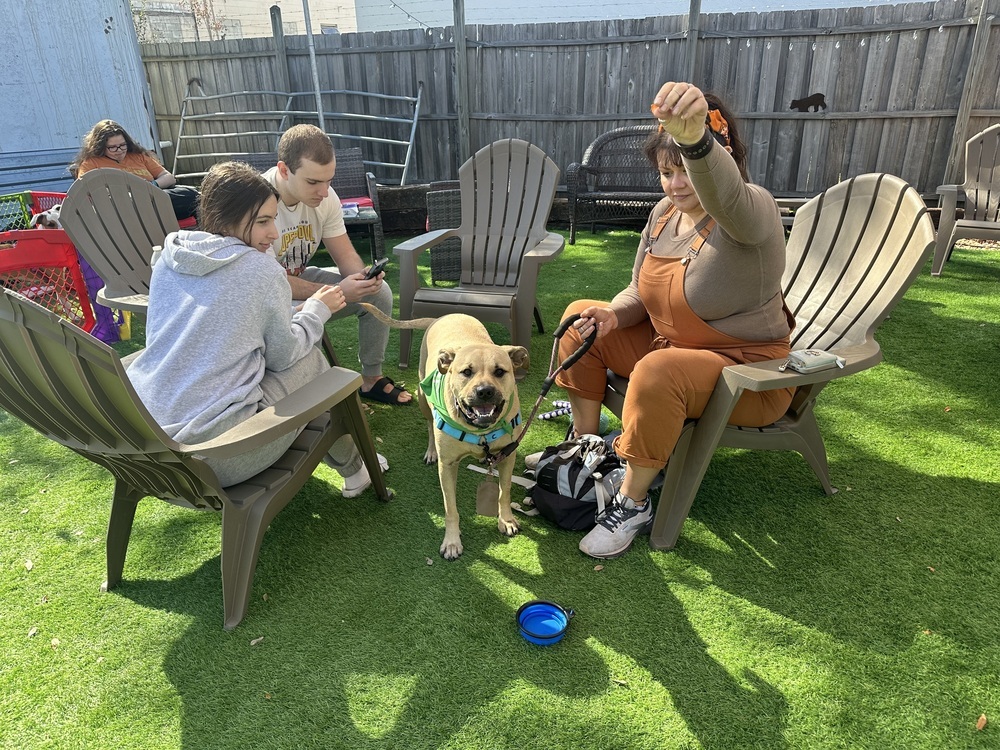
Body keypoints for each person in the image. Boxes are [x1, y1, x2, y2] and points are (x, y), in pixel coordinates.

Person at [546, 82, 795, 559]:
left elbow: (725, 195)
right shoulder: (663, 214)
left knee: (657, 371)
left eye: (686, 170)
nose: (677, 184)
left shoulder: (752, 210)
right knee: (581, 321)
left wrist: (696, 141)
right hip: (672, 349)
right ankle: (586, 446)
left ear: (721, 160)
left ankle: (632, 503)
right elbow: (638, 290)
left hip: (747, 374)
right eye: (666, 172)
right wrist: (612, 314)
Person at [125, 161, 387, 494]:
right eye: (263, 222)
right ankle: (356, 470)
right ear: (226, 217)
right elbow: (283, 356)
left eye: (273, 219)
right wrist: (317, 311)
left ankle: (354, 467)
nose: (274, 233)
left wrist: (299, 311)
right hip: (215, 458)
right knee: (313, 361)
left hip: (150, 447)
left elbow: (225, 320)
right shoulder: (259, 269)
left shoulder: (168, 258)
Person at [261, 124, 413, 406]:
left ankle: (371, 379)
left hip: (297, 279)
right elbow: (267, 283)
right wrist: (336, 292)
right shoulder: (259, 202)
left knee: (378, 293)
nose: (323, 191)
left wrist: (362, 279)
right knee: (306, 313)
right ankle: (311, 395)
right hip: (266, 297)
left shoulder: (326, 198)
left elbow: (344, 255)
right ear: (284, 170)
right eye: (313, 182)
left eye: (329, 180)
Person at [71, 119, 199, 221]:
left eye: (122, 145)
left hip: (152, 197)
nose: (119, 150)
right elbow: (89, 191)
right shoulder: (91, 163)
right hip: (125, 206)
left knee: (193, 195)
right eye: (112, 147)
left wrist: (151, 185)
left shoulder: (137, 156)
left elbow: (168, 177)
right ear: (100, 147)